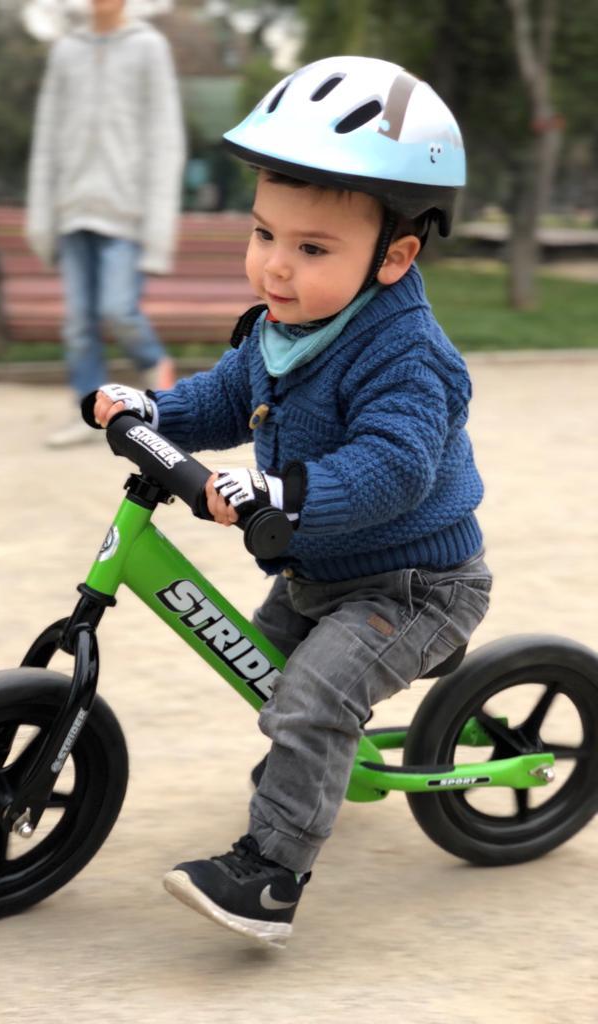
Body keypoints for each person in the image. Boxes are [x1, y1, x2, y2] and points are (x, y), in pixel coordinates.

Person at [86, 56, 493, 947]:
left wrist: (278, 490)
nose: (274, 267)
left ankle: (270, 878)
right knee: (259, 668)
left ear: (396, 255)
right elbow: (229, 398)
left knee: (306, 699)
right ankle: (308, 775)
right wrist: (152, 411)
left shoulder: (406, 356)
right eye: (266, 234)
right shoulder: (288, 327)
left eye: (311, 249)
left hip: (415, 586)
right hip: (319, 571)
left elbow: (397, 469)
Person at [26, 0, 185, 448]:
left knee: (118, 310)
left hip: (127, 214)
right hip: (73, 208)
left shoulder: (149, 47)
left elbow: (165, 139)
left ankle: (157, 370)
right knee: (78, 323)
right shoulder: (65, 51)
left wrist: (157, 230)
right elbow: (47, 138)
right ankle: (90, 410)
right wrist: (42, 216)